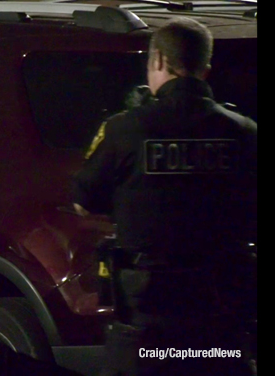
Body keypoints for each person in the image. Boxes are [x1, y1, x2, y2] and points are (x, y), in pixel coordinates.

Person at [72, 17, 257, 375]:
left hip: (149, 318)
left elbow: (83, 199)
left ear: (158, 61)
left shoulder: (125, 128)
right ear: (205, 68)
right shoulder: (245, 132)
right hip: (221, 315)